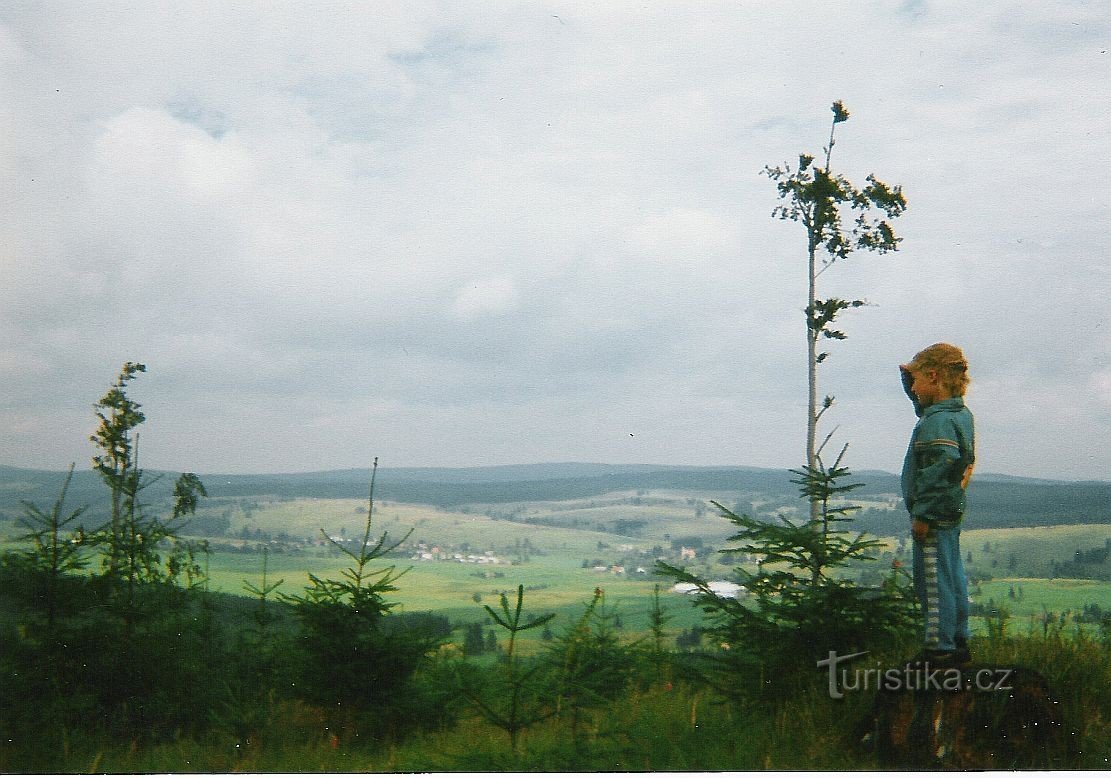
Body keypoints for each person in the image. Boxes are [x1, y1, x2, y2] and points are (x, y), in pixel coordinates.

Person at [899, 343, 975, 665]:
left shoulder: (937, 424)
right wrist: (911, 378)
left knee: (932, 580)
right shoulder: (958, 414)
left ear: (933, 375)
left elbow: (937, 470)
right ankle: (958, 640)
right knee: (951, 574)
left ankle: (938, 648)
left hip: (933, 514)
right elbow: (925, 403)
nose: (912, 389)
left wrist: (923, 514)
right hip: (950, 510)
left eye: (915, 381)